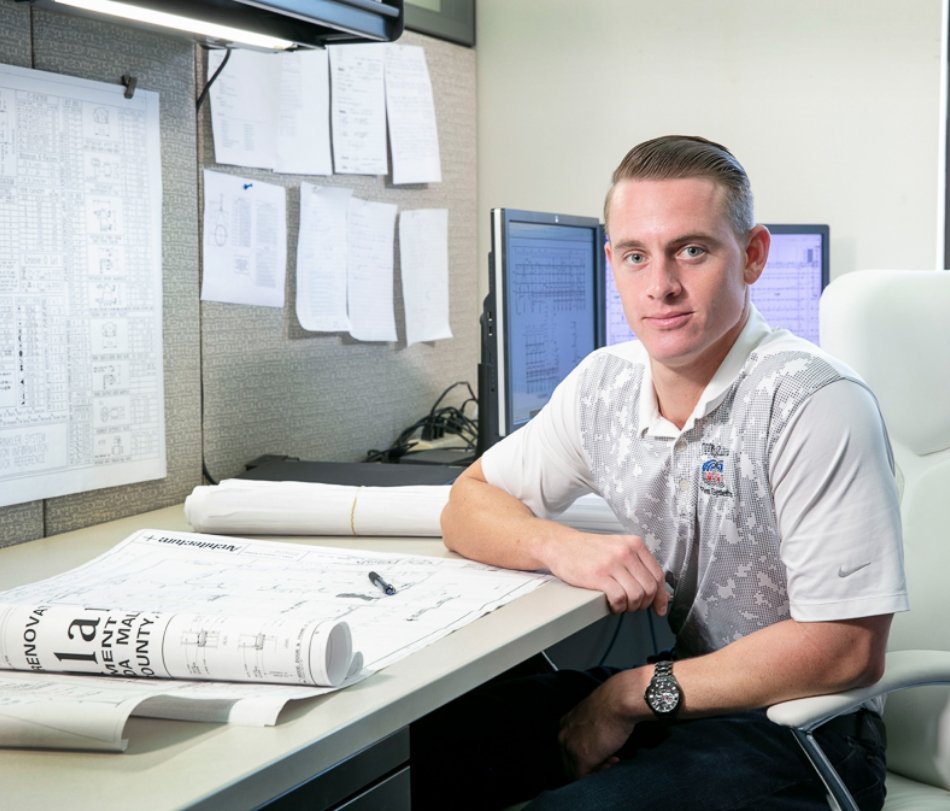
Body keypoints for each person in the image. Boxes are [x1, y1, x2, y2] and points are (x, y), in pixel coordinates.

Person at [410, 135, 908, 811]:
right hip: (691, 698)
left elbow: (846, 650)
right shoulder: (602, 387)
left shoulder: (813, 402)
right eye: (636, 255)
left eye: (692, 250)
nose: (660, 284)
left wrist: (628, 695)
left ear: (753, 255)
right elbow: (467, 503)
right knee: (431, 743)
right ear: (611, 260)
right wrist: (561, 544)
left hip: (811, 728)